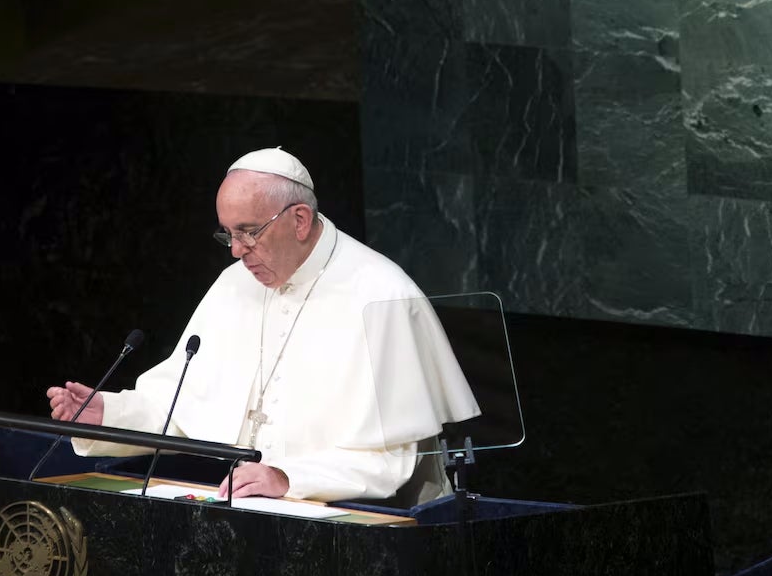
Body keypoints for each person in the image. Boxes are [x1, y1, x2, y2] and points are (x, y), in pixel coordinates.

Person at [47, 148, 478, 504]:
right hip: (254, 512)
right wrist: (110, 414)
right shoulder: (237, 283)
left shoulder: (382, 294)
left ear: (300, 220)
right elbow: (184, 405)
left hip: (370, 525)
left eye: (249, 232)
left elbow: (390, 460)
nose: (236, 251)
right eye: (228, 234)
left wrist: (290, 478)